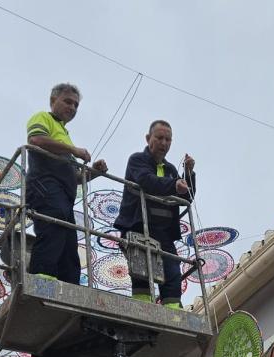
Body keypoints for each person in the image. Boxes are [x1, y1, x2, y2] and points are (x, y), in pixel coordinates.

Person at [24, 83, 107, 284]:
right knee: (52, 229)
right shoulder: (43, 118)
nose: (72, 107)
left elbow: (76, 178)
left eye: (76, 105)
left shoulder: (64, 134)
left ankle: (70, 285)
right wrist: (75, 150)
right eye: (67, 101)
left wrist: (95, 172)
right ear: (53, 101)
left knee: (69, 242)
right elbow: (35, 140)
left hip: (63, 195)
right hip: (44, 186)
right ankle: (41, 278)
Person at [112, 120, 195, 309]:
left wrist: (189, 173)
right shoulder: (137, 160)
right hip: (138, 224)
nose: (164, 143)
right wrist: (174, 185)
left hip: (163, 231)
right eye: (159, 138)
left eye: (168, 139)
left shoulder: (172, 170)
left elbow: (186, 198)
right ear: (148, 138)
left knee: (172, 272)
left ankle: (173, 310)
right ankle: (142, 307)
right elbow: (146, 180)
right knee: (141, 269)